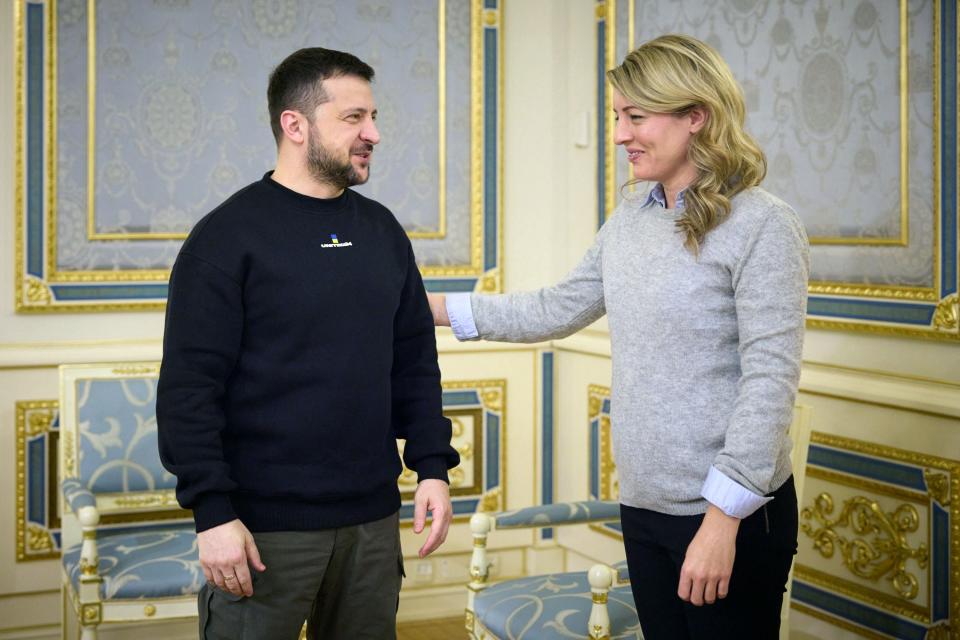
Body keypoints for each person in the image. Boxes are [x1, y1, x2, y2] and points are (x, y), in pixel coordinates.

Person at [430, 34, 808, 639]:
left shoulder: (763, 225)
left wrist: (720, 521)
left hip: (726, 517)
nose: (618, 135)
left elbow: (770, 383)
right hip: (644, 503)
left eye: (635, 116)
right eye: (616, 117)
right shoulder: (632, 219)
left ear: (695, 117)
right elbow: (556, 307)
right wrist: (429, 309)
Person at [157, 47, 460, 640]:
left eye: (372, 117)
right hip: (262, 531)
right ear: (294, 125)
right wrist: (212, 513)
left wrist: (432, 467)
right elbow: (189, 389)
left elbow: (416, 363)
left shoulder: (382, 232)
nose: (372, 133)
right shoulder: (225, 238)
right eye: (353, 118)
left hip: (373, 521)